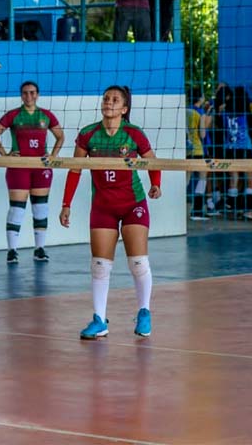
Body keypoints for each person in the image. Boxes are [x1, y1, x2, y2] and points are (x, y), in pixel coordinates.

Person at [59, 86, 162, 339]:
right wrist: (66, 203)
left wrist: (155, 184)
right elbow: (75, 170)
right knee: (99, 265)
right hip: (103, 205)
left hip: (132, 203)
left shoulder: (134, 134)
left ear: (124, 109)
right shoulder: (88, 134)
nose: (109, 102)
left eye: (115, 100)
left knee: (138, 262)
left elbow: (153, 161)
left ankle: (144, 312)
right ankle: (99, 320)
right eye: (106, 98)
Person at [0, 80, 64, 263]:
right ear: (21, 95)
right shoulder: (14, 115)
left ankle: (39, 249)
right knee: (17, 209)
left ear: (37, 94)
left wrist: (52, 156)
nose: (29, 96)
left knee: (40, 208)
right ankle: (12, 250)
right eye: (25, 93)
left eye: (32, 92)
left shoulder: (46, 116)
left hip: (40, 166)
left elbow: (60, 136)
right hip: (18, 166)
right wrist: (5, 154)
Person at [218, 86, 252, 220]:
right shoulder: (246, 113)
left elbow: (220, 128)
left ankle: (232, 210)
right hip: (245, 149)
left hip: (230, 149)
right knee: (250, 180)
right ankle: (248, 210)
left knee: (233, 179)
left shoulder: (225, 113)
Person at [186, 87, 213, 220]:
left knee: (186, 180)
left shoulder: (185, 111)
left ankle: (180, 210)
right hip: (198, 149)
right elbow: (202, 134)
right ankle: (197, 211)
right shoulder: (200, 112)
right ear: (200, 98)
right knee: (202, 178)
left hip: (186, 149)